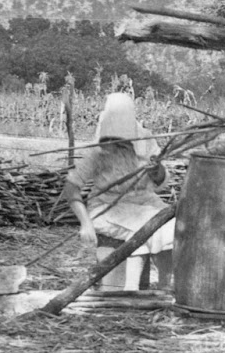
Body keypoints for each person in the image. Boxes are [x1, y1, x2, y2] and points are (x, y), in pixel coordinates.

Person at [64, 93, 174, 291]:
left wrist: (156, 170)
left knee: (172, 224)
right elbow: (71, 187)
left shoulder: (145, 140)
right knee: (145, 228)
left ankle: (166, 287)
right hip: (108, 206)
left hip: (145, 201)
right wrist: (85, 223)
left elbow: (161, 180)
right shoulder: (98, 149)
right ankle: (131, 291)